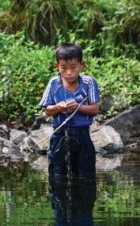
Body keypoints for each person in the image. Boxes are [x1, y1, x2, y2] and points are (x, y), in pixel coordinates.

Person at [39, 43, 100, 177]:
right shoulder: (54, 83)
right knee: (57, 174)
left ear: (82, 65)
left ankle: (84, 197)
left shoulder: (89, 83)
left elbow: (95, 109)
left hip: (82, 134)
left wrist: (77, 107)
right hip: (59, 135)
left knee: (86, 174)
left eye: (73, 67)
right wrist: (58, 107)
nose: (68, 72)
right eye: (63, 68)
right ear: (57, 66)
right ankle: (59, 196)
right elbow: (48, 111)